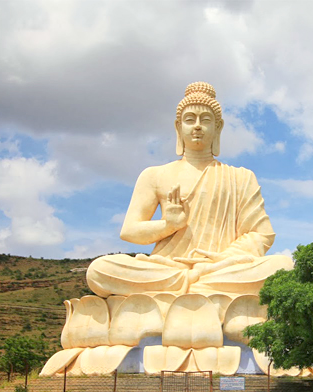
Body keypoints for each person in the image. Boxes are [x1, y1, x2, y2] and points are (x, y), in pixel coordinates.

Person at [86, 82, 292, 297]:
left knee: (282, 266)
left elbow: (262, 234)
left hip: (220, 268)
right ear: (178, 127)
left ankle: (185, 289)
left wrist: (221, 259)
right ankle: (198, 287)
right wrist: (169, 225)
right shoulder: (154, 175)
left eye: (205, 120)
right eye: (189, 119)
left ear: (218, 127)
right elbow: (129, 231)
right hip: (168, 267)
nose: (197, 126)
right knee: (99, 270)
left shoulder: (240, 177)